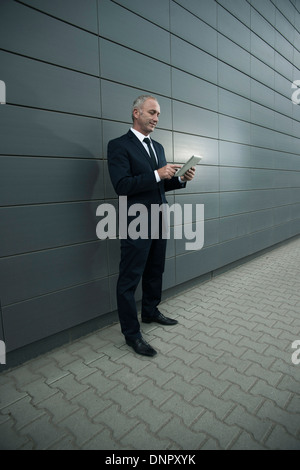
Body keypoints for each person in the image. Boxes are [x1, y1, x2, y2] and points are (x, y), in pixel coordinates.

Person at [107, 95, 195, 357]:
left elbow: (159, 184)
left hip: (159, 217)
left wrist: (180, 178)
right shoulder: (118, 146)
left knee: (155, 269)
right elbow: (122, 186)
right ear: (136, 113)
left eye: (158, 115)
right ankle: (132, 335)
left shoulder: (157, 147)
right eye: (152, 113)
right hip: (135, 221)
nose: (156, 118)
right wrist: (158, 173)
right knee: (129, 278)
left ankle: (150, 311)